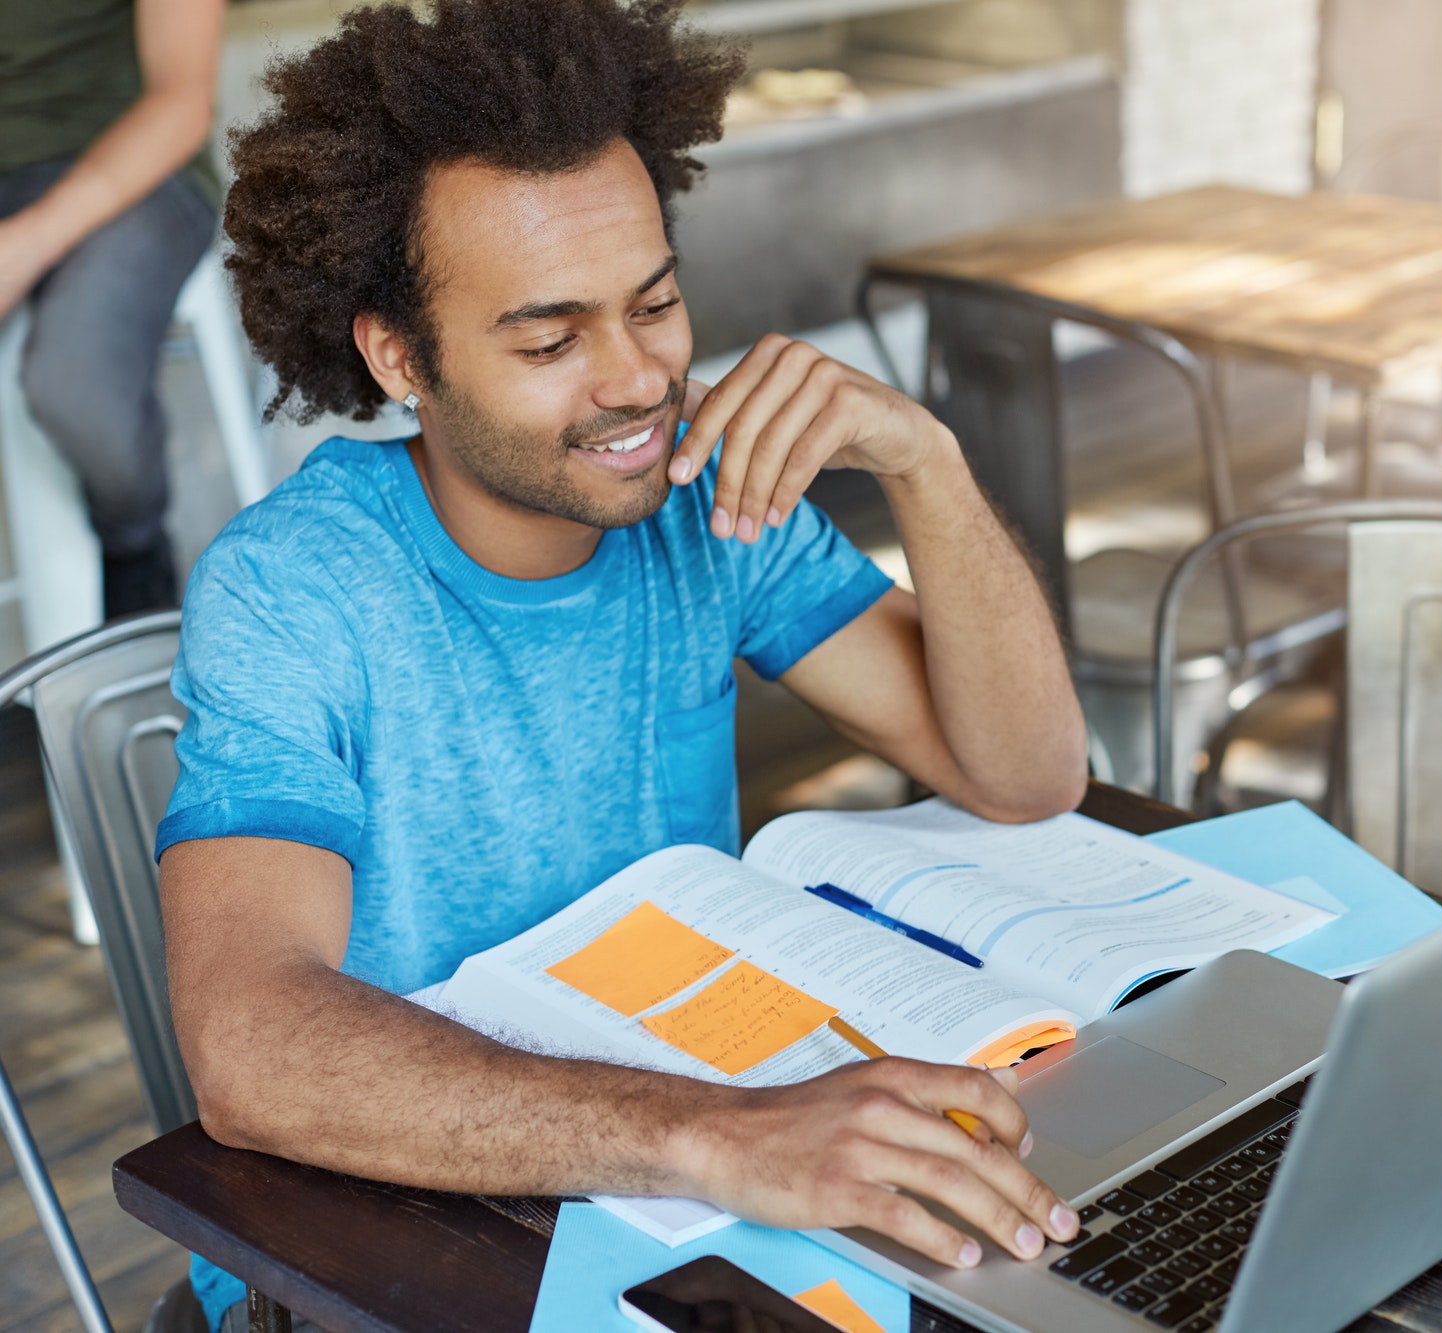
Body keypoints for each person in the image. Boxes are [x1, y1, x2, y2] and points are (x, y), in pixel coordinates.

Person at [153, 1, 1089, 1328]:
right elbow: (250, 1051)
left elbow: (1029, 772)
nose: (638, 381)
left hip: (677, 1196)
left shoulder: (709, 498)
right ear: (399, 355)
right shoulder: (296, 588)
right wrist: (719, 1135)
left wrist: (925, 466)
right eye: (547, 341)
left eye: (654, 304)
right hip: (386, 1238)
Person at [0, 0, 225, 617]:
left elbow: (180, 103)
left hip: (136, 165)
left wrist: (21, 248)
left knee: (77, 380)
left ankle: (135, 545)